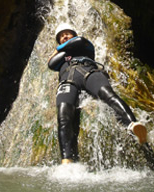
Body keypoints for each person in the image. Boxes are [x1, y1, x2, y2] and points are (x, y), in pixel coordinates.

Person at [48, 23, 148, 164]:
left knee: (108, 94)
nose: (64, 36)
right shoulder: (63, 52)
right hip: (68, 79)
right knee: (64, 112)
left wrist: (60, 50)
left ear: (74, 34)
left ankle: (133, 125)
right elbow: (51, 64)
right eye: (61, 36)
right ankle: (66, 159)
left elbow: (79, 42)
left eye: (67, 33)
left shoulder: (83, 43)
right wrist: (59, 51)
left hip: (89, 72)